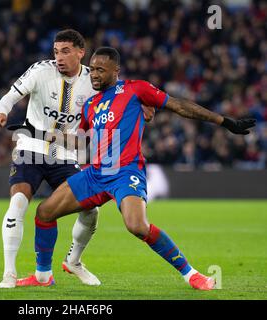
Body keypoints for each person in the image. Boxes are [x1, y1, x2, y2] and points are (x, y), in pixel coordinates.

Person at [17, 47, 256, 290]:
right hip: (97, 173)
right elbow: (80, 141)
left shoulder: (135, 89)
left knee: (137, 226)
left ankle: (192, 275)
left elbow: (179, 106)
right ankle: (43, 276)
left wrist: (224, 121)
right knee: (44, 213)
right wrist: (36, 132)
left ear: (115, 71)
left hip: (125, 172)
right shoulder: (90, 104)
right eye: (93, 70)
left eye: (101, 70)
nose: (94, 75)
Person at [0, 29, 103, 288]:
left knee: (91, 209)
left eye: (65, 51)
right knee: (18, 203)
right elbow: (11, 95)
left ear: (80, 52)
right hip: (31, 146)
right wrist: (2, 111)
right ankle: (9, 273)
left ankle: (73, 261)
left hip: (65, 154)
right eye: (56, 51)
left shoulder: (92, 81)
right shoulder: (41, 70)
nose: (59, 57)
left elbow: (116, 99)